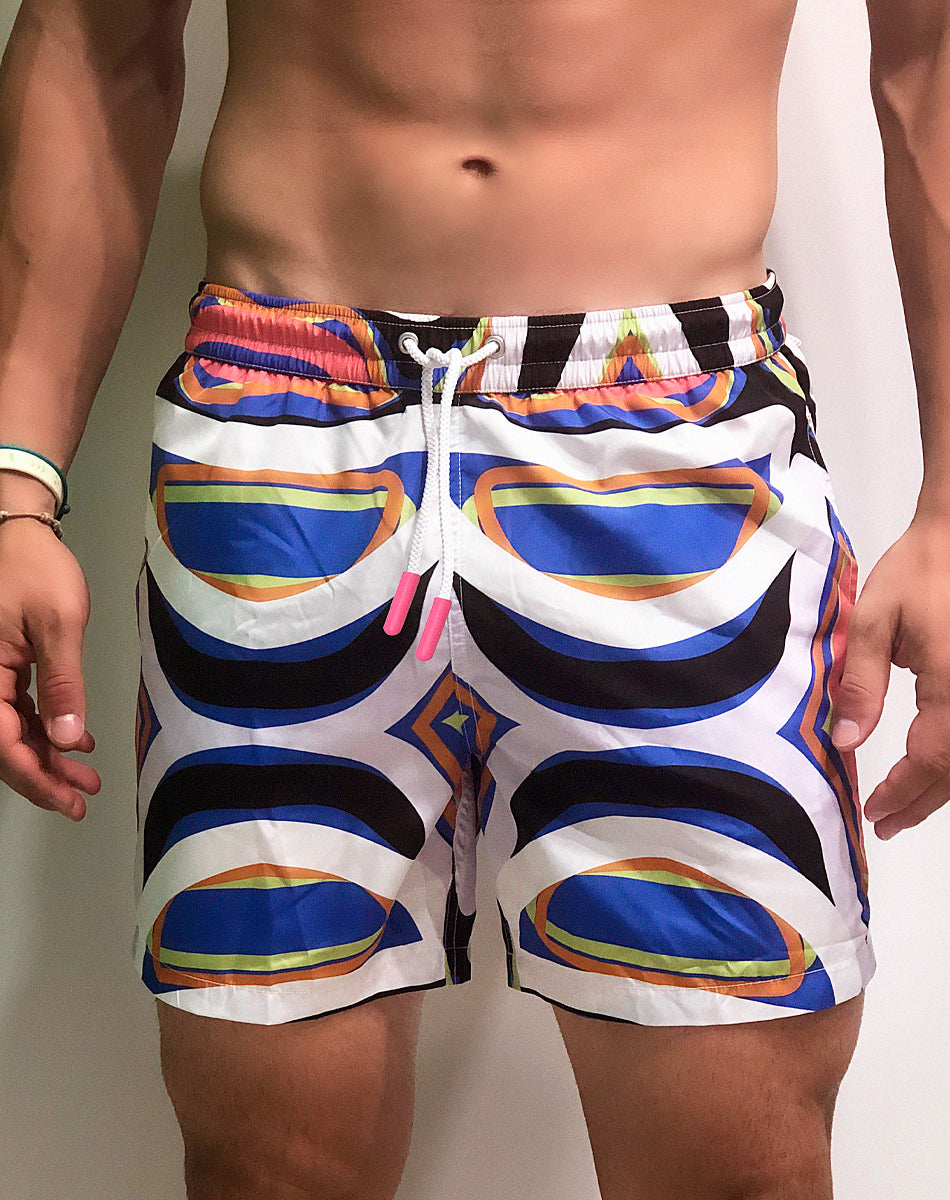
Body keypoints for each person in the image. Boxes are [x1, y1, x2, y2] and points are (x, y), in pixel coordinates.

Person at [0, 0, 946, 1196]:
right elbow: (94, 38)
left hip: (680, 451)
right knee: (266, 1171)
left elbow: (929, 56)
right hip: (281, 440)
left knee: (735, 1165)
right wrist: (16, 485)